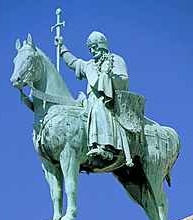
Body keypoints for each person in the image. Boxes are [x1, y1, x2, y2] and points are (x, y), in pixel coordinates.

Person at [55, 31, 134, 166]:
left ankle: (105, 147)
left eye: (95, 47)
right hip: (89, 101)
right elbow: (73, 62)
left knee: (98, 108)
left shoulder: (115, 60)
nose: (92, 51)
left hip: (108, 101)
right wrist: (62, 48)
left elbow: (124, 80)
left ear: (102, 46)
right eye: (90, 48)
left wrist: (108, 77)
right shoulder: (90, 65)